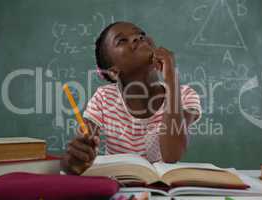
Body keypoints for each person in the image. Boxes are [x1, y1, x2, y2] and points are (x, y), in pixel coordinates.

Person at [61, 21, 201, 175]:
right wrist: (74, 159)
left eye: (140, 35)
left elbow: (171, 155)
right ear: (113, 72)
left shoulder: (185, 95)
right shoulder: (103, 98)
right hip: (120, 187)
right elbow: (81, 149)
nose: (136, 38)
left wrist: (171, 80)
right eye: (122, 40)